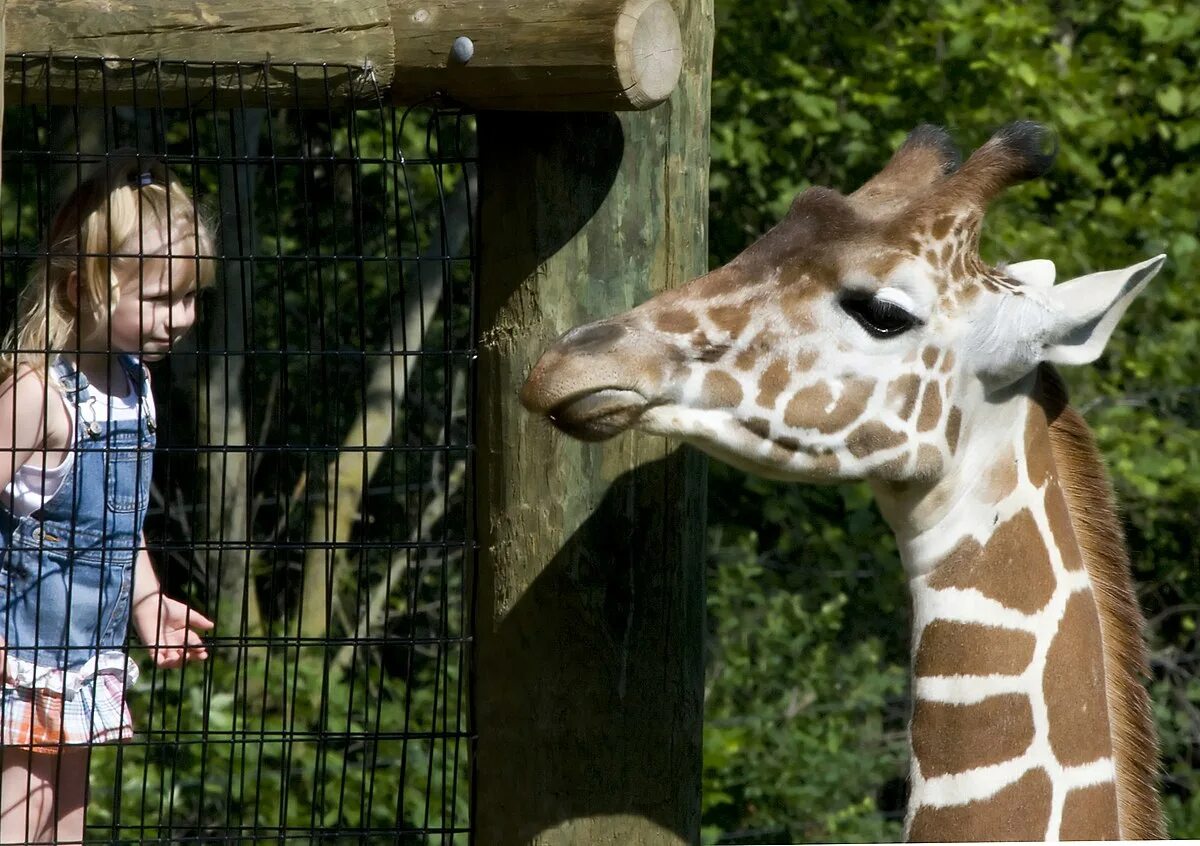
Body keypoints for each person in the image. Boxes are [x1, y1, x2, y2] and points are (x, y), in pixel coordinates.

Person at [0, 155, 217, 843]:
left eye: (189, 298)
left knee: (68, 826)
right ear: (83, 286)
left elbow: (120, 526)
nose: (179, 318)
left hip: (89, 659)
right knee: (21, 817)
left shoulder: (132, 389)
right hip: (24, 655)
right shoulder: (38, 395)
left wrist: (149, 604)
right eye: (159, 299)